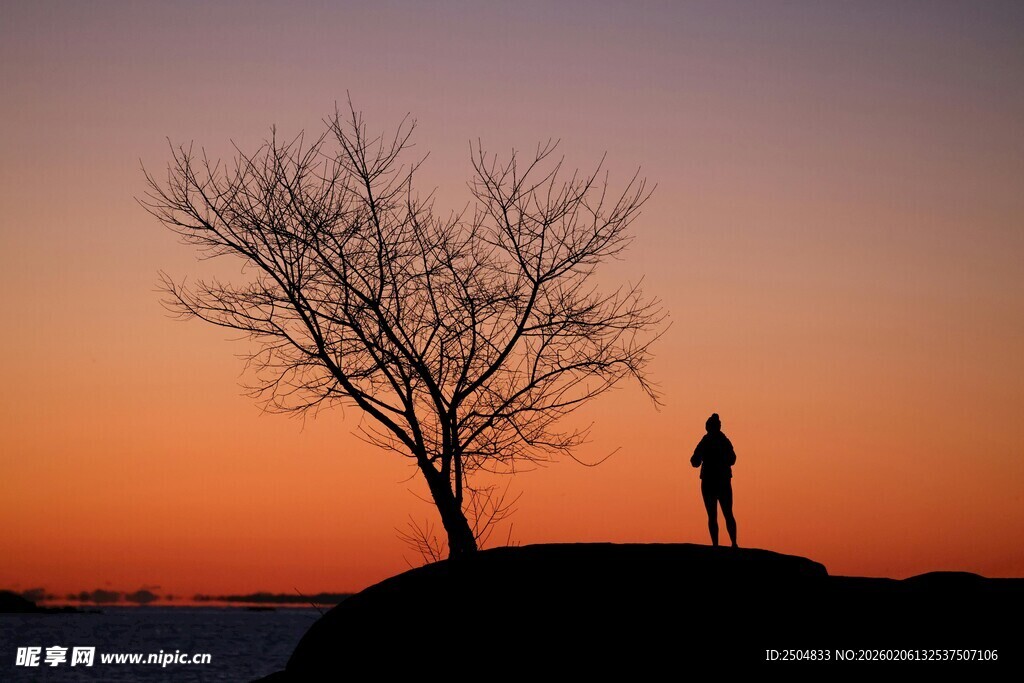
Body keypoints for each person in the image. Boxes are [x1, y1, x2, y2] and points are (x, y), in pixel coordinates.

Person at [690, 413, 738, 548]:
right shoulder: (717, 441)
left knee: (721, 514)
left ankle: (726, 544)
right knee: (720, 514)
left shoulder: (712, 441)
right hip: (716, 481)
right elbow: (695, 461)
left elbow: (732, 459)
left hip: (715, 481)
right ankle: (725, 544)